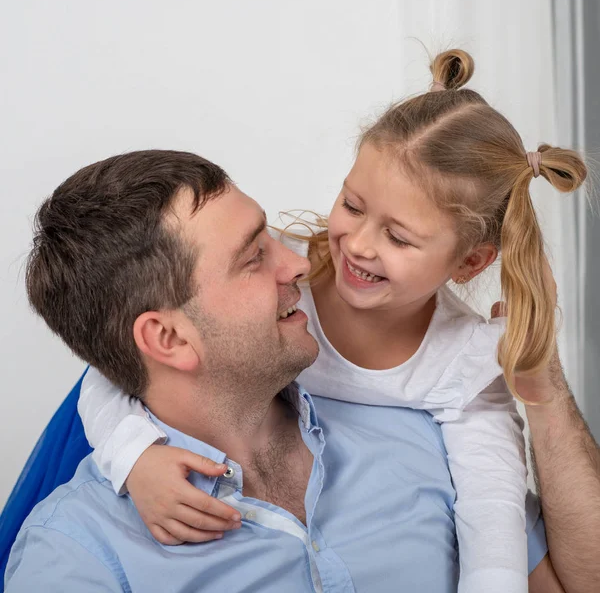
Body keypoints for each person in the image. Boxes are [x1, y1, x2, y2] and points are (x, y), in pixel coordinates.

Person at [73, 50, 593, 593]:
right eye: (352, 203)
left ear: (470, 262)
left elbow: (493, 515)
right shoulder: (281, 276)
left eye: (398, 237)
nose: (358, 245)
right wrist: (135, 458)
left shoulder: (463, 363)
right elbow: (116, 366)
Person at [4, 149, 555, 593]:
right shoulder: (78, 555)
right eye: (253, 258)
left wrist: (544, 384)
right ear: (168, 338)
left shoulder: (424, 431)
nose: (299, 263)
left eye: (272, 237)